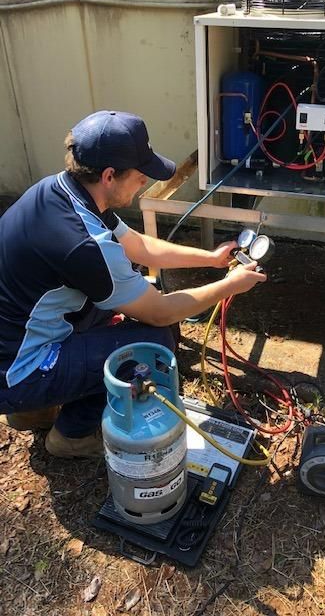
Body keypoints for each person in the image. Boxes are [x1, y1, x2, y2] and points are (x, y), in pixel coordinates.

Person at [0, 110, 266, 458]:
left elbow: (140, 246)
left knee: (110, 305)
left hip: (11, 341)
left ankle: (31, 411)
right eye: (141, 176)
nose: (144, 184)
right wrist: (229, 285)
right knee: (154, 342)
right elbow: (160, 313)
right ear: (110, 175)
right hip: (19, 371)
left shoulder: (61, 190)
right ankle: (71, 435)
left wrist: (211, 258)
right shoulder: (85, 243)